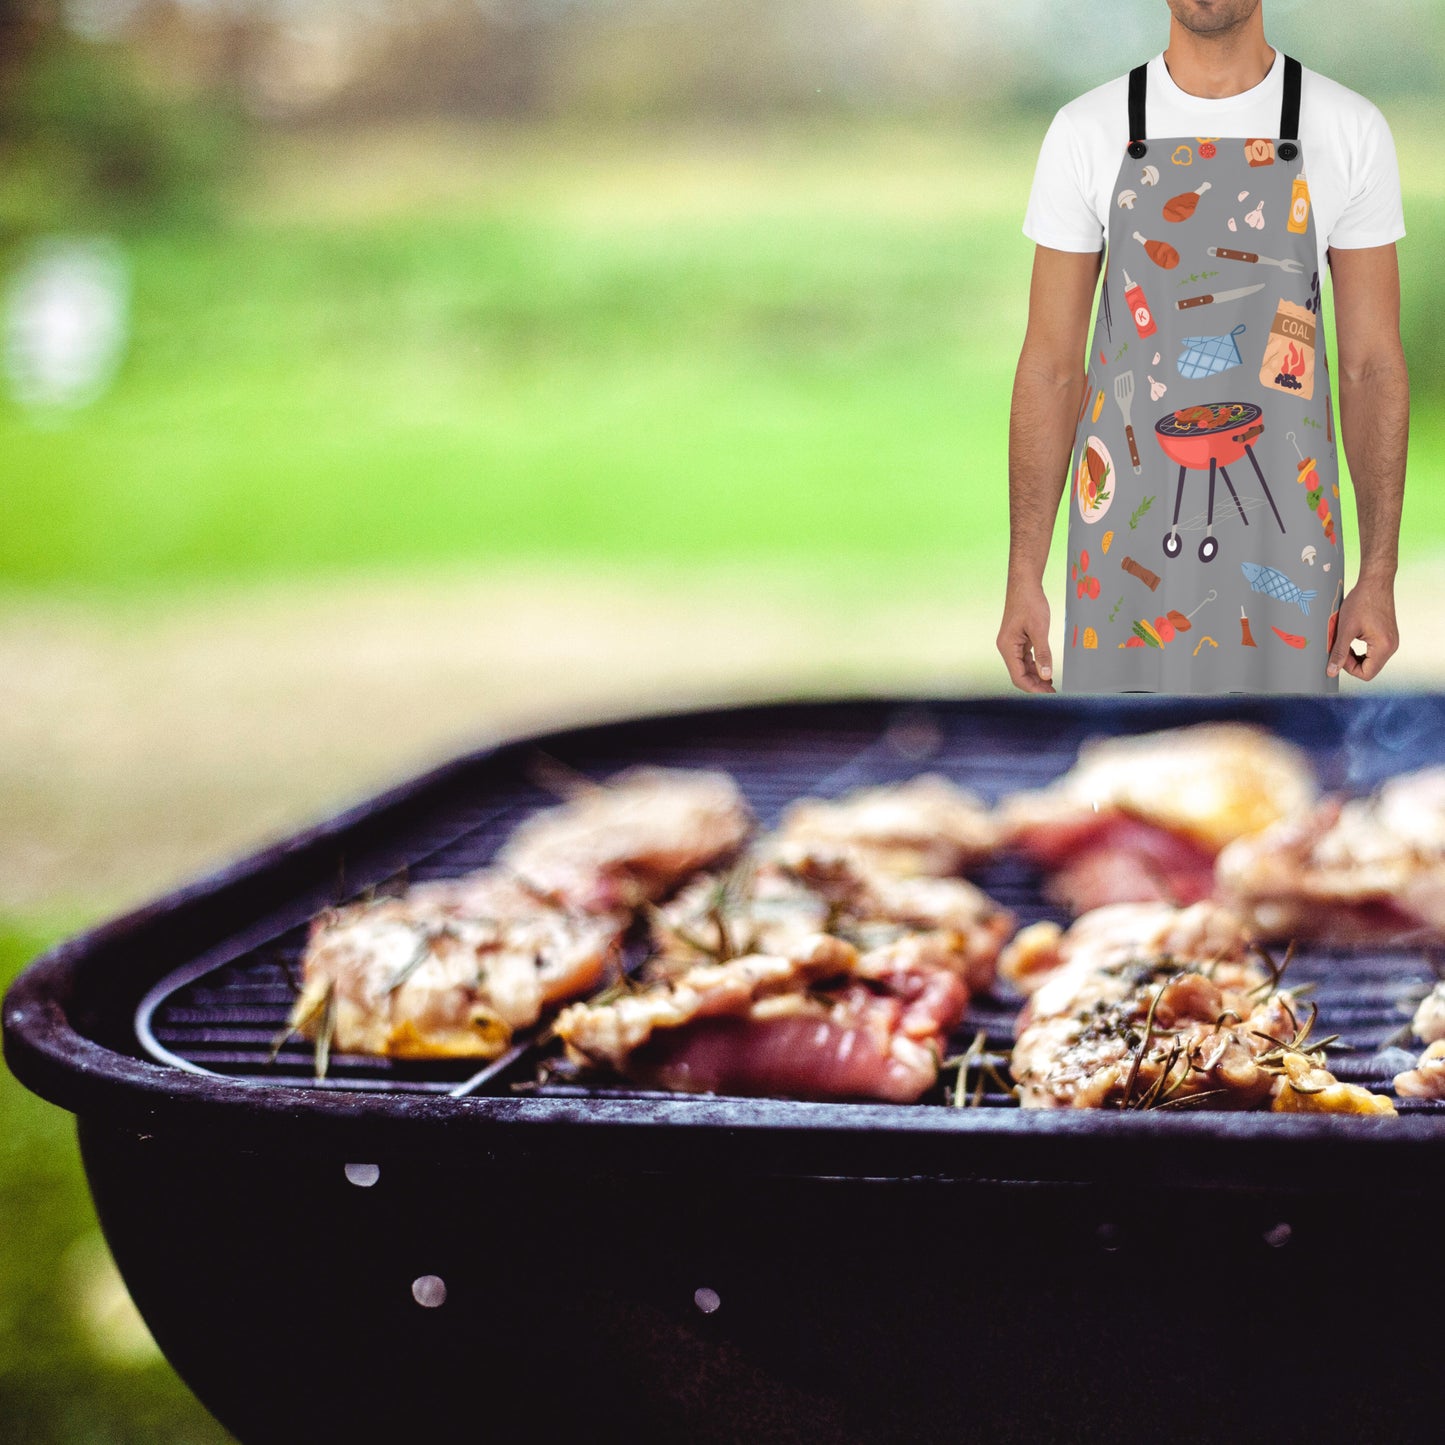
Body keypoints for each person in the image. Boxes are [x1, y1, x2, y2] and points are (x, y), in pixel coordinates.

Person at [998, 1, 1407, 694]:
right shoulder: (1087, 131)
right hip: (1119, 558)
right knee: (1118, 779)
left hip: (1288, 554)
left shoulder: (1348, 129)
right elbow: (1050, 367)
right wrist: (1022, 576)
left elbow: (1371, 367)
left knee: (1277, 780)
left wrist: (1376, 573)